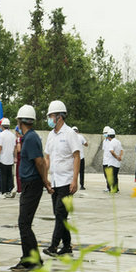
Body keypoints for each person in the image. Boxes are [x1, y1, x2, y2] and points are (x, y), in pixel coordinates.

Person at [9, 104, 53, 272]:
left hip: (33, 184)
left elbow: (40, 162)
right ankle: (27, 259)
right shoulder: (28, 138)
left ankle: (35, 261)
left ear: (20, 121)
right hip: (29, 184)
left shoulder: (31, 138)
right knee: (23, 223)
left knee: (24, 223)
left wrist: (45, 181)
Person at [42, 100, 81, 257]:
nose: (49, 119)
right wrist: (45, 178)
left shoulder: (70, 133)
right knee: (59, 215)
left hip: (66, 181)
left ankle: (53, 246)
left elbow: (77, 156)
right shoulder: (51, 135)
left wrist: (75, 180)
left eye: (51, 116)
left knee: (60, 214)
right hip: (55, 181)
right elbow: (47, 158)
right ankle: (67, 246)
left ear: (59, 116)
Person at [0, 118, 17, 198]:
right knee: (9, 176)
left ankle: (3, 192)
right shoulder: (12, 135)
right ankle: (10, 190)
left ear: (2, 126)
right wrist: (15, 157)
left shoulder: (1, 135)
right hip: (10, 159)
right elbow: (15, 148)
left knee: (3, 176)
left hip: (3, 159)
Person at [106, 128, 124, 192]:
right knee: (115, 176)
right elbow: (121, 150)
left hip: (112, 162)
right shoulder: (118, 142)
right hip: (117, 163)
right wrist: (120, 157)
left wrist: (116, 157)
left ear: (109, 136)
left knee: (112, 176)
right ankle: (116, 188)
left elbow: (111, 151)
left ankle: (113, 189)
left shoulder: (111, 142)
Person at [101, 126, 112, 192]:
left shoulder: (111, 141)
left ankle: (111, 187)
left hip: (110, 161)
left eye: (106, 133)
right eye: (104, 133)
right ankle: (108, 187)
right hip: (105, 161)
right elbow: (104, 150)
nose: (105, 134)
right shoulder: (104, 141)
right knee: (106, 175)